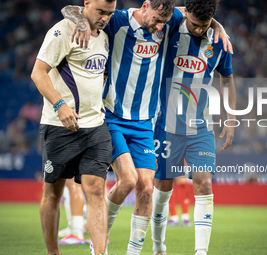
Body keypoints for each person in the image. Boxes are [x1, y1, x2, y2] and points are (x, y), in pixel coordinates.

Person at [61, 1, 232, 254]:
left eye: (165, 21)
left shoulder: (170, 20)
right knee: (128, 180)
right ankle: (99, 244)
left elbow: (191, 13)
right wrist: (79, 20)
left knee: (146, 188)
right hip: (112, 116)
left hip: (145, 123)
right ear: (146, 6)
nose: (161, 26)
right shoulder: (118, 21)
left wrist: (217, 26)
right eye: (157, 20)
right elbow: (73, 8)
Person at [150, 0, 236, 254]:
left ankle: (201, 252)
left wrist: (231, 118)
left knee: (204, 184)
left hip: (200, 127)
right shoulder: (171, 25)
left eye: (205, 25)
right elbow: (160, 8)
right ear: (186, 12)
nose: (199, 30)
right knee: (163, 187)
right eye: (195, 24)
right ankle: (158, 246)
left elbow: (228, 80)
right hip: (165, 125)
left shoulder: (221, 43)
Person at [30, 0, 116, 254]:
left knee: (97, 191)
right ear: (86, 4)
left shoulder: (106, 35)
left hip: (95, 127)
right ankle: (53, 252)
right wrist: (59, 105)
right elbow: (38, 72)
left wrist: (217, 26)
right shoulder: (62, 30)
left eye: (109, 14)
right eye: (100, 12)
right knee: (53, 193)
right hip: (60, 127)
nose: (105, 18)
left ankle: (99, 252)